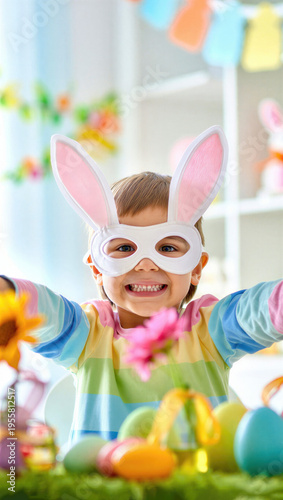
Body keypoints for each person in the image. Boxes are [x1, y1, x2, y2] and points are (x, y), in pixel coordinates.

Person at [0, 126, 282, 445]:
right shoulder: (88, 334)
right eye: (123, 248)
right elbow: (44, 311)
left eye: (168, 248)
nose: (146, 264)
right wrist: (8, 294)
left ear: (196, 270)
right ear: (96, 269)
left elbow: (257, 310)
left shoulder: (209, 331)